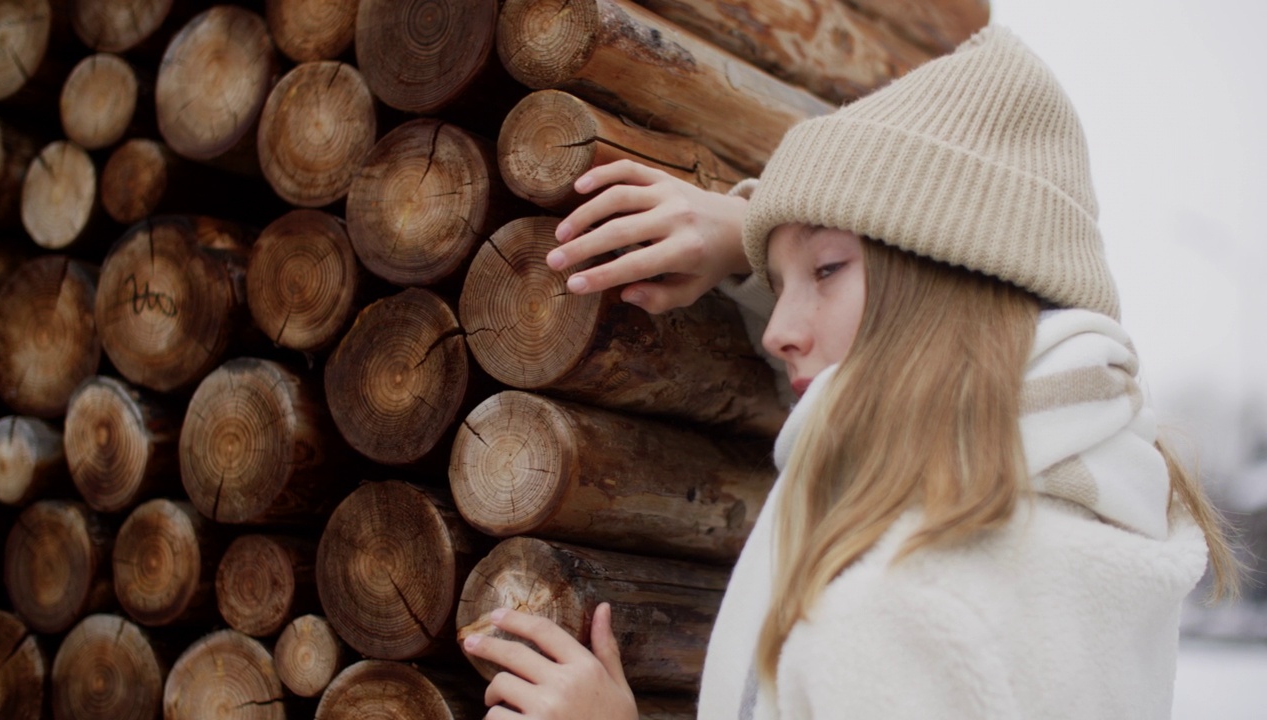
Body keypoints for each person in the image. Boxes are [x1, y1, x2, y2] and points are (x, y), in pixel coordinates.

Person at [461, 25, 1237, 719]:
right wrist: (757, 237)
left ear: (955, 278)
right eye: (784, 280)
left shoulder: (901, 609)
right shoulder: (1095, 506)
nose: (784, 331)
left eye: (828, 270)